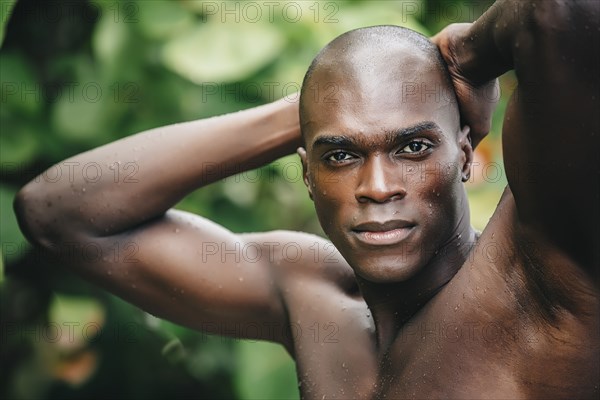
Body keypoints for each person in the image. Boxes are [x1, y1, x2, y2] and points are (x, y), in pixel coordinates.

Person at [15, 0, 599, 397]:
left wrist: (464, 58)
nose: (377, 187)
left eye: (414, 147)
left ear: (466, 155)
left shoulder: (535, 285)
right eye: (341, 155)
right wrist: (313, 106)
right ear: (307, 171)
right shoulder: (314, 298)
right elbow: (58, 214)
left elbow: (559, 12)